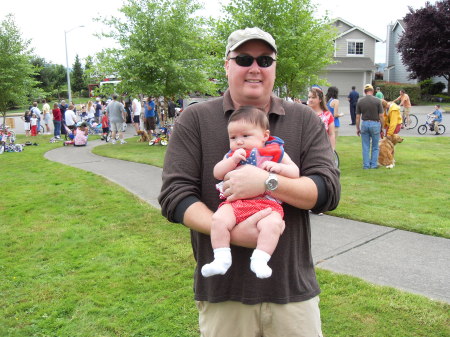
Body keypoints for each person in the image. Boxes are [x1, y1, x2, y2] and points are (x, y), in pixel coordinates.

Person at [158, 27, 340, 337]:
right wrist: (234, 231)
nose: (255, 68)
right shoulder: (195, 120)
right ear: (227, 65)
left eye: (265, 60)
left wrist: (267, 183)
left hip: (291, 290)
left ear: (274, 67)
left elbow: (327, 192)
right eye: (244, 58)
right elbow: (175, 197)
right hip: (224, 293)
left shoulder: (304, 119)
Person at [202, 106, 299, 280]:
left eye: (245, 136)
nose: (239, 141)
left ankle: (260, 259)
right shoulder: (232, 155)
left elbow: (295, 172)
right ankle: (221, 259)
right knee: (218, 220)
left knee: (273, 225)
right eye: (233, 137)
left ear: (265, 136)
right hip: (236, 204)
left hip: (267, 205)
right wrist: (231, 160)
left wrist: (279, 168)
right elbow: (217, 172)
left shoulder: (275, 153)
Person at [356, 84, 384, 169]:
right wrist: (382, 127)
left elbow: (357, 117)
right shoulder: (378, 101)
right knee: (375, 146)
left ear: (365, 91)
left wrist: (358, 128)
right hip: (375, 123)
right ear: (372, 91)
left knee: (365, 146)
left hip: (364, 123)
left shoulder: (360, 101)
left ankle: (366, 165)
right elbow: (381, 116)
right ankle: (373, 165)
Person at [307, 85, 336, 150]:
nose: (310, 100)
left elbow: (331, 134)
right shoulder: (305, 114)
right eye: (309, 97)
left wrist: (332, 150)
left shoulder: (328, 115)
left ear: (320, 99)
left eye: (313, 97)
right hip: (307, 150)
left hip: (323, 149)